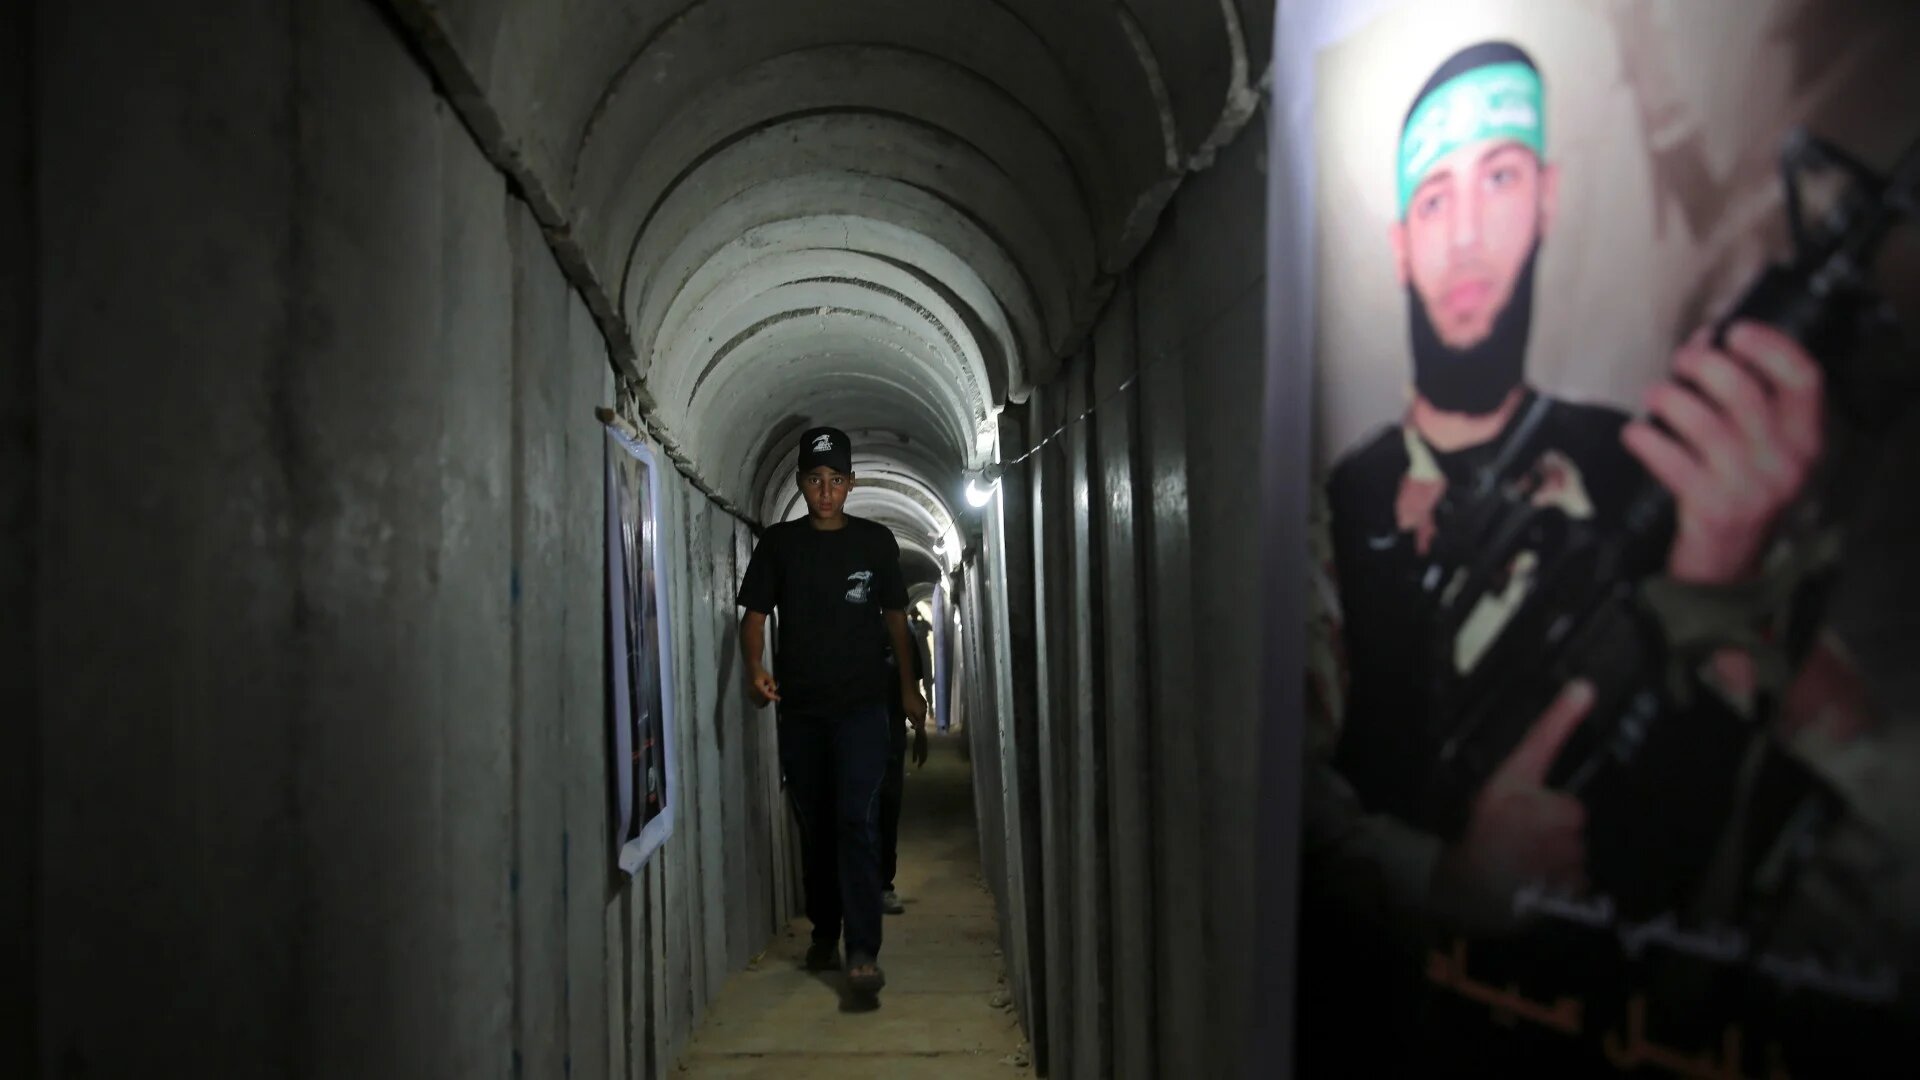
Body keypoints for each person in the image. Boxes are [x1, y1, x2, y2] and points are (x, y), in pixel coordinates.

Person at [1300, 37, 1890, 1070]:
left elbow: (1814, 786)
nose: (1468, 234)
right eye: (1434, 200)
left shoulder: (1652, 468)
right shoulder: (1345, 504)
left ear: (1548, 196)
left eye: (1500, 178)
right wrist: (1448, 880)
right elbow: (1292, 803)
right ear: (1398, 243)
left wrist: (1729, 585)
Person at [738, 426, 929, 996]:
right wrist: (754, 667)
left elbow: (895, 620)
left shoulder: (874, 543)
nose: (826, 492)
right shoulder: (780, 545)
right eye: (816, 480)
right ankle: (825, 929)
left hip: (863, 708)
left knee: (855, 818)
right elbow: (754, 617)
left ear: (851, 484)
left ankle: (863, 949)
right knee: (817, 824)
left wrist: (908, 690)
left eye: (836, 480)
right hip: (802, 710)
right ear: (801, 483)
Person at [877, 625, 931, 915]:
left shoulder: (901, 630)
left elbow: (913, 685)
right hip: (852, 729)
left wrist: (919, 729)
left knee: (887, 808)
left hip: (890, 733)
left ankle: (883, 885)